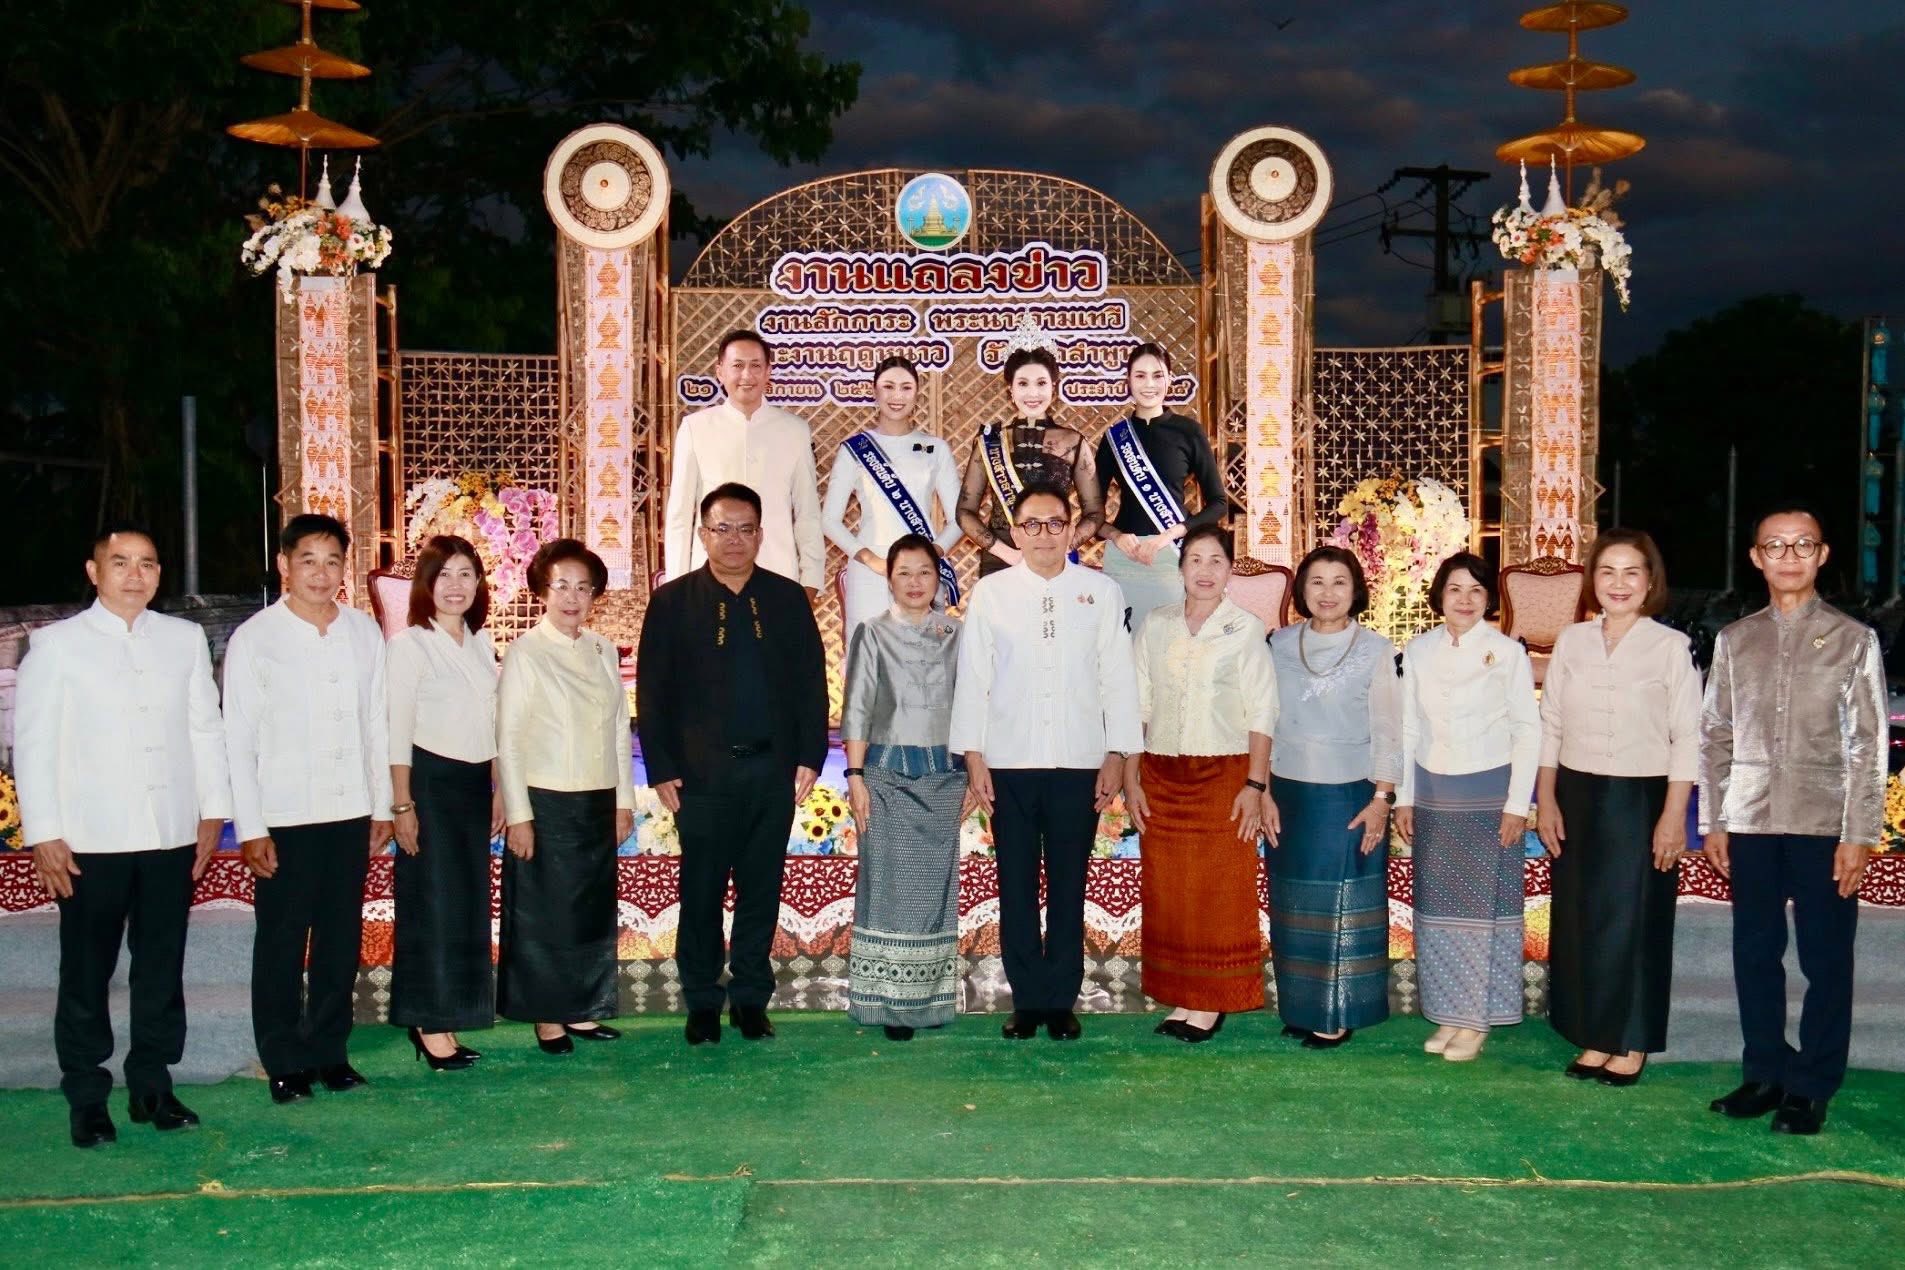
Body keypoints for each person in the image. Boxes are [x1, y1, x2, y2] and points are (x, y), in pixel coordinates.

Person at [15, 524, 231, 1148]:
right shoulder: (55, 646)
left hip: (169, 834)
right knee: (86, 971)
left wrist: (213, 811)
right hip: (88, 840)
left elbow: (204, 729)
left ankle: (152, 1084)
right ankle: (87, 1093)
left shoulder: (184, 638)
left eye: (147, 564)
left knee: (160, 967)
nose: (135, 575)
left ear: (160, 575)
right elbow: (32, 746)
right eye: (120, 563)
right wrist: (45, 833)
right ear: (93, 571)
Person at [1701, 506, 1883, 1135]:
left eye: (1802, 544)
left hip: (1822, 824)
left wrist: (1859, 834)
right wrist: (1714, 819)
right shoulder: (1734, 640)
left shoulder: (1855, 641)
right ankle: (1765, 1072)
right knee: (1755, 952)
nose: (1788, 556)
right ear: (1756, 558)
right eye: (1774, 546)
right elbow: (1715, 737)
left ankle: (1812, 1083)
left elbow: (1869, 746)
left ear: (1822, 555)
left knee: (1826, 957)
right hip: (1749, 820)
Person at [638, 483, 828, 1046]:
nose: (735, 540)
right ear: (703, 535)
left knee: (760, 889)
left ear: (761, 534)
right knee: (700, 891)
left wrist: (810, 756)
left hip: (771, 773)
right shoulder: (672, 602)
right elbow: (653, 691)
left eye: (746, 528)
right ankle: (701, 1000)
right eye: (723, 528)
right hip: (700, 777)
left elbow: (811, 685)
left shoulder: (788, 599)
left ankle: (750, 998)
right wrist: (663, 765)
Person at [950, 480, 1141, 1041]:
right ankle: (1026, 1000)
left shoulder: (1100, 591)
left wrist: (1116, 752)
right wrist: (974, 756)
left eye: (1054, 523)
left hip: (1080, 760)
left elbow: (1117, 677)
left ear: (1071, 528)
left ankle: (1061, 999)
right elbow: (974, 678)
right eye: (1030, 524)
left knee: (1067, 882)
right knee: (1014, 882)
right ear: (1015, 531)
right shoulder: (993, 592)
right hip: (1008, 760)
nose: (1043, 535)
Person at [224, 513, 393, 1104]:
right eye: (308, 561)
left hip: (349, 812)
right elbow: (237, 738)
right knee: (281, 939)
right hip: (284, 817)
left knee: (339, 939)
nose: (320, 574)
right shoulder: (256, 638)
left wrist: (382, 806)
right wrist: (250, 826)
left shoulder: (363, 632)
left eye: (331, 562)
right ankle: (283, 1059)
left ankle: (330, 1051)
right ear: (284, 565)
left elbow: (377, 722)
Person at [1535, 529, 1700, 1087]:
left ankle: (1629, 1039)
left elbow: (1688, 738)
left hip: (1641, 796)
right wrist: (1547, 799)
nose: (1619, 583)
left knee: (1634, 920)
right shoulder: (1573, 640)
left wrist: (1673, 816)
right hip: (1577, 794)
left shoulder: (1669, 646)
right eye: (1608, 572)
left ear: (1650, 581)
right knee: (1582, 916)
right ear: (1592, 581)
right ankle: (1593, 1033)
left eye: (1632, 572)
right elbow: (1551, 723)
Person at [1125, 523, 1274, 1043]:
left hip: (1224, 772)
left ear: (1230, 569)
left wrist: (1255, 785)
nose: (1205, 571)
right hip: (1161, 774)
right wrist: (1131, 780)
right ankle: (1183, 996)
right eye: (1195, 560)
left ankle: (1213, 1001)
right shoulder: (1156, 625)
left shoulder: (1246, 627)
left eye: (1216, 561)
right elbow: (1134, 710)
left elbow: (1262, 713)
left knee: (1218, 888)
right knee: (1169, 892)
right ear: (1180, 567)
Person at [1393, 552, 1539, 1063]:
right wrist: (1404, 797)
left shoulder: (1507, 653)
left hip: (1489, 793)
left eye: (1476, 590)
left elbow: (1527, 729)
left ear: (1488, 599)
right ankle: (1451, 1014)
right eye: (1455, 589)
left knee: (1484, 910)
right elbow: (1408, 727)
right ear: (1439, 595)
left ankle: (1476, 1019)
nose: (1465, 600)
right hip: (1433, 791)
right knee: (1437, 910)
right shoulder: (1417, 650)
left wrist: (1518, 804)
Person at [495, 538, 635, 1055]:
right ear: (541, 591)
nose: (573, 597)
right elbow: (508, 738)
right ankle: (547, 1016)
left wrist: (623, 801)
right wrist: (519, 814)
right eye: (562, 586)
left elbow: (620, 726)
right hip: (546, 799)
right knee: (545, 912)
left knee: (589, 910)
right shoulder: (526, 650)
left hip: (597, 799)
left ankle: (581, 1008)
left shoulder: (601, 647)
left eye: (583, 587)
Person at [1265, 545, 1402, 1049]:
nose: (1327, 593)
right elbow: (1262, 722)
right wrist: (1261, 789)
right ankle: (1302, 1006)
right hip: (1288, 792)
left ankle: (1339, 1010)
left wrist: (1382, 797)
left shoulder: (1376, 650)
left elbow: (1390, 730)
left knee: (1344, 901)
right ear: (1301, 590)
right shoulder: (1277, 643)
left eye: (1339, 582)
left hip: (1350, 793)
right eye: (1316, 581)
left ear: (1356, 589)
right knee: (1295, 900)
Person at [386, 535, 504, 1072]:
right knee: (431, 905)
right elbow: (396, 729)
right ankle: (428, 1022)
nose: (455, 586)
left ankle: (452, 1016)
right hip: (430, 786)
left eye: (466, 575)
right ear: (426, 585)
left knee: (465, 907)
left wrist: (500, 787)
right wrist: (402, 804)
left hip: (476, 784)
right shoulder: (410, 645)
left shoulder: (480, 644)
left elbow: (495, 724)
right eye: (445, 575)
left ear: (479, 584)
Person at [841, 534, 966, 1041]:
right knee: (890, 888)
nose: (915, 583)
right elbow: (857, 708)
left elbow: (972, 706)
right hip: (887, 774)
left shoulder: (960, 635)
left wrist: (977, 774)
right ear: (888, 579)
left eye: (925, 572)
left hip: (945, 776)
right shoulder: (871, 633)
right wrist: (854, 777)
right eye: (904, 573)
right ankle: (887, 1003)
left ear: (939, 579)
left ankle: (928, 1000)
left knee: (935, 891)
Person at [663, 329, 825, 596]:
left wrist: (811, 580)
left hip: (778, 574)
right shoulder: (696, 427)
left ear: (768, 371)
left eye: (755, 366)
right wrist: (678, 585)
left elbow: (807, 513)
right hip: (707, 579)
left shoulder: (794, 430)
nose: (746, 375)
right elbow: (680, 515)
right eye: (737, 366)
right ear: (720, 372)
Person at [822, 355, 963, 644]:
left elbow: (959, 519)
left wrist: (932, 553)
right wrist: (871, 560)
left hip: (920, 574)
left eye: (906, 387)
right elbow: (829, 521)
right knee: (866, 658)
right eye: (888, 386)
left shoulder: (935, 448)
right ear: (875, 391)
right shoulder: (855, 449)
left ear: (917, 393)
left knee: (922, 659)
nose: (897, 396)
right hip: (871, 571)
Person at [1094, 343, 1228, 631]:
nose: (1149, 384)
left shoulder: (1188, 431)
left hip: (1171, 556)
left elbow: (1219, 503)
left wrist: (1171, 534)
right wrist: (1116, 536)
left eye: (1158, 375)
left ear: (1170, 379)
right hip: (1124, 558)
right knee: (1122, 650)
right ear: (1127, 381)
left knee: (1170, 650)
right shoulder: (1115, 437)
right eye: (1140, 376)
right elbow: (1091, 514)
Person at [956, 342, 1103, 580]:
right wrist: (1008, 553)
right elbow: (964, 511)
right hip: (1002, 560)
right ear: (1010, 389)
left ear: (1053, 388)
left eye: (1041, 383)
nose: (1033, 393)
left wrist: (1063, 546)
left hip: (1054, 557)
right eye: (1023, 383)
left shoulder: (1073, 441)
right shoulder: (991, 442)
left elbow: (1095, 512)